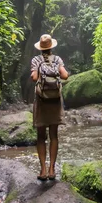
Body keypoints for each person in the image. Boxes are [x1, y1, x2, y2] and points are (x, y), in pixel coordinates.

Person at [31, 34, 69, 181]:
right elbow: (65, 76)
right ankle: (52, 169)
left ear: (40, 48)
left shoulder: (36, 60)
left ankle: (43, 170)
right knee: (54, 135)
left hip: (41, 101)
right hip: (55, 101)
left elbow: (34, 78)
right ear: (52, 47)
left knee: (41, 136)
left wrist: (40, 72)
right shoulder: (58, 59)